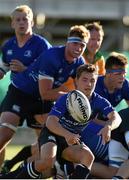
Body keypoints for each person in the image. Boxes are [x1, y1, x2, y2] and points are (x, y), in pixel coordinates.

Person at [1, 64, 122, 179]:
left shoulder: (99, 101)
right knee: (46, 162)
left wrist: (109, 127)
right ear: (76, 81)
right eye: (84, 80)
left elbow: (116, 117)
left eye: (92, 81)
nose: (89, 84)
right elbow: (51, 122)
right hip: (53, 134)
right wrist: (67, 134)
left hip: (71, 140)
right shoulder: (66, 98)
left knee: (88, 157)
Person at [0, 24, 90, 174]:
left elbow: (80, 91)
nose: (79, 48)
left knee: (48, 142)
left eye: (82, 45)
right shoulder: (53, 56)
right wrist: (70, 96)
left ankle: (13, 170)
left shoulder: (79, 62)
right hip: (21, 93)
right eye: (75, 43)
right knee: (5, 135)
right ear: (68, 41)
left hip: (41, 102)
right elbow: (46, 93)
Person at [0, 4, 52, 170]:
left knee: (45, 145)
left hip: (40, 96)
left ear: (32, 23)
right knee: (4, 134)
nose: (22, 22)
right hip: (17, 94)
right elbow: (4, 67)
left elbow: (50, 73)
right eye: (18, 20)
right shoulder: (8, 46)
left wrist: (26, 69)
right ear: (12, 24)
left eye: (25, 19)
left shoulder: (42, 45)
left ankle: (22, 169)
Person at [80, 51, 129, 178]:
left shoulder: (125, 84)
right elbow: (89, 119)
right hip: (87, 127)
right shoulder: (95, 86)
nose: (122, 77)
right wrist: (113, 125)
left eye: (124, 73)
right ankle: (72, 165)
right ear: (107, 73)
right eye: (118, 73)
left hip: (107, 126)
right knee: (120, 164)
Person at [60, 21, 105, 92]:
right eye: (92, 39)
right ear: (85, 39)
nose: (96, 43)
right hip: (67, 95)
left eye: (99, 40)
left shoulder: (100, 59)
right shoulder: (76, 57)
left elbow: (100, 83)